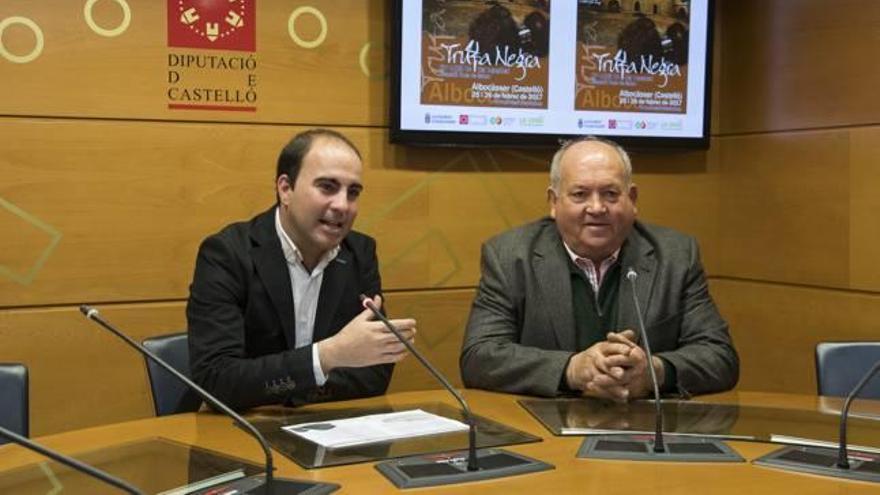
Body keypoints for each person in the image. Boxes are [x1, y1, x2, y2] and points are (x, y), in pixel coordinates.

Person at [460, 136, 738, 401]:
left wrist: (654, 372)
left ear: (632, 198)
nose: (596, 207)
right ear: (554, 202)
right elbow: (479, 357)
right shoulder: (510, 256)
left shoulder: (675, 256)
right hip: (545, 427)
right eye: (580, 194)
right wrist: (571, 369)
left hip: (644, 428)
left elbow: (720, 357)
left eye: (610, 194)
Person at [187, 129, 416, 410]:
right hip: (237, 430)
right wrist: (326, 357)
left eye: (353, 192)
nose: (343, 205)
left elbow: (373, 373)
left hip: (324, 429)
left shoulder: (360, 253)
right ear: (286, 189)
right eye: (327, 187)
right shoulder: (228, 254)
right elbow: (217, 379)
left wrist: (288, 389)